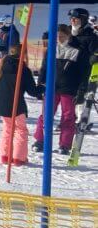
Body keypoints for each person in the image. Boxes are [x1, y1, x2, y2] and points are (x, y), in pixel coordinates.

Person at [33, 23, 88, 155]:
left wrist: (82, 90)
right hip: (51, 87)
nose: (59, 39)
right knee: (46, 114)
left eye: (62, 36)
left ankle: (64, 144)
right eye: (57, 36)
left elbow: (83, 72)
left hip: (69, 88)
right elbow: (44, 68)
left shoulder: (78, 50)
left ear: (68, 35)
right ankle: (40, 140)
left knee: (68, 116)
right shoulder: (51, 49)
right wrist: (40, 83)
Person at [0, 43, 38, 165]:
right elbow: (32, 91)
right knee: (20, 130)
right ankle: (18, 157)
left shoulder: (2, 65)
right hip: (16, 104)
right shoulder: (23, 69)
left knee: (7, 129)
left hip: (2, 103)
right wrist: (42, 89)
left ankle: (5, 155)